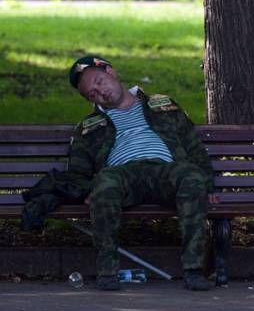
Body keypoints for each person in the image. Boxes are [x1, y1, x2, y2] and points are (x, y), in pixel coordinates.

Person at [67, 55, 214, 291]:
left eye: (99, 81)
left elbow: (193, 147)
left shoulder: (162, 105)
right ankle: (107, 273)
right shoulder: (89, 127)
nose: (100, 92)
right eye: (91, 94)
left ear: (111, 71)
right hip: (123, 175)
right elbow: (77, 170)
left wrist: (209, 185)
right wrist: (85, 190)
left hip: (165, 171)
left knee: (191, 176)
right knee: (105, 183)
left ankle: (194, 270)